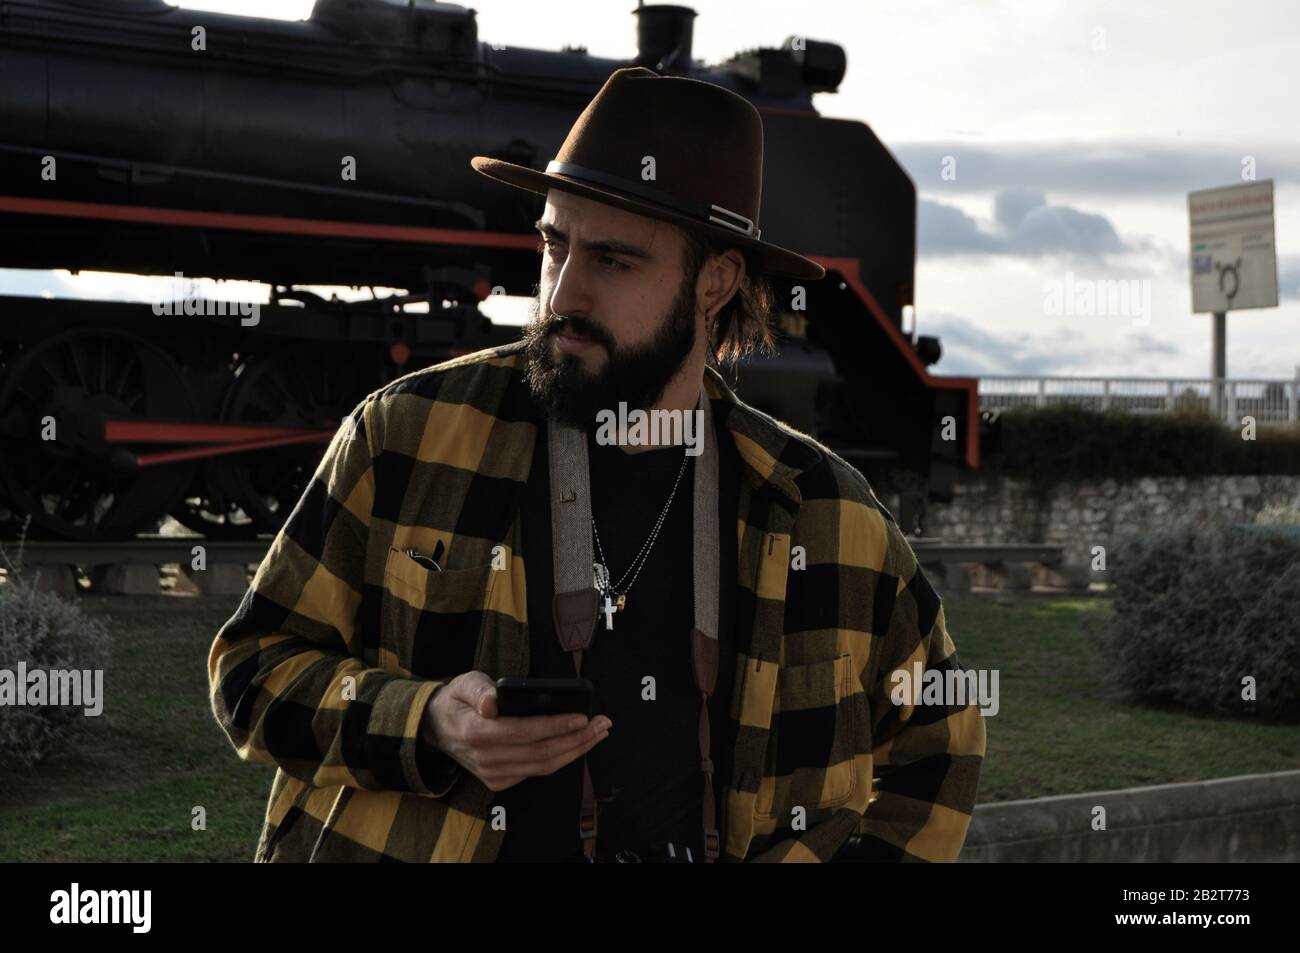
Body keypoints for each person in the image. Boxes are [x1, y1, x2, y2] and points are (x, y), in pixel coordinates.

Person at [208, 66, 985, 863]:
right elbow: (249, 674)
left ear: (715, 281)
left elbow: (944, 737)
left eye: (613, 260)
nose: (563, 293)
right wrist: (429, 718)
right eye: (555, 244)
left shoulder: (830, 512)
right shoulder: (403, 436)